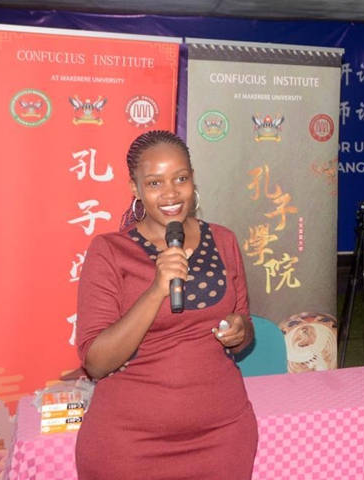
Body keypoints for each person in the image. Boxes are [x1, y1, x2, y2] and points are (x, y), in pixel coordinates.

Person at [75, 130, 258, 479]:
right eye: (155, 183)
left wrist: (240, 330)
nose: (171, 193)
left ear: (192, 178)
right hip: (129, 445)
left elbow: (245, 329)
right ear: (135, 188)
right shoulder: (110, 251)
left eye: (181, 179)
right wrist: (156, 289)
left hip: (223, 435)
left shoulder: (224, 239)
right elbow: (95, 362)